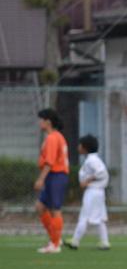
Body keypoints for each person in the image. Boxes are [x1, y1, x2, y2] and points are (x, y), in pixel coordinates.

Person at [64, 135, 110, 251]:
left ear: (85, 147)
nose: (78, 147)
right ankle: (104, 242)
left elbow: (102, 173)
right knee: (99, 217)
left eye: (80, 145)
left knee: (84, 216)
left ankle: (75, 241)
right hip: (97, 192)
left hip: (93, 191)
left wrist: (88, 180)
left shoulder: (92, 160)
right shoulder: (91, 159)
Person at [34, 108, 69, 254]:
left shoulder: (53, 138)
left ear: (48, 122)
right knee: (40, 206)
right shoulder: (54, 136)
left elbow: (50, 161)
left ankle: (55, 244)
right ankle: (55, 238)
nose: (39, 123)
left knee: (55, 209)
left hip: (56, 175)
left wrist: (40, 179)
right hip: (53, 176)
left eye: (41, 120)